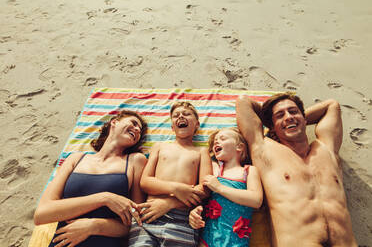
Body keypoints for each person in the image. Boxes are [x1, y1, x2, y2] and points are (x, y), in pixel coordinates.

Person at [236, 92, 357, 246]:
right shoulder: (264, 150)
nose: (288, 117)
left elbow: (331, 106)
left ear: (304, 118)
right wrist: (273, 120)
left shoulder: (327, 148)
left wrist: (297, 119)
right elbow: (243, 102)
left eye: (293, 111)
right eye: (280, 115)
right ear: (271, 127)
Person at [33, 110, 148, 247]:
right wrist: (104, 198)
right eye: (133, 123)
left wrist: (94, 226)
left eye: (139, 130)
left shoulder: (135, 161)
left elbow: (137, 221)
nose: (136, 129)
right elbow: (42, 214)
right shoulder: (75, 159)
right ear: (114, 122)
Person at [128, 101, 212, 247]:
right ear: (172, 127)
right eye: (176, 115)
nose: (181, 117)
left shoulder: (201, 152)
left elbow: (205, 189)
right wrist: (175, 188)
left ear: (197, 124)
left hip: (183, 218)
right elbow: (145, 182)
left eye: (186, 114)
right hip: (150, 214)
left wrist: (170, 203)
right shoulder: (159, 147)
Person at [189, 127, 263, 247]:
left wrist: (219, 188)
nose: (216, 142)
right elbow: (202, 196)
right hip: (207, 239)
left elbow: (256, 200)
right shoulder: (213, 170)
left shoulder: (248, 171)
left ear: (239, 147)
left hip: (237, 242)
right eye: (215, 142)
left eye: (223, 138)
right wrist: (194, 212)